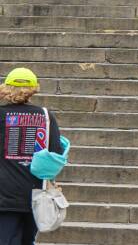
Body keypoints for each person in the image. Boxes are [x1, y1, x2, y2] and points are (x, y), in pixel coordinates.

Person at [1, 68, 65, 245]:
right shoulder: (46, 116)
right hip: (35, 193)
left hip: (3, 194)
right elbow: (55, 153)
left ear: (6, 88)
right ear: (34, 89)